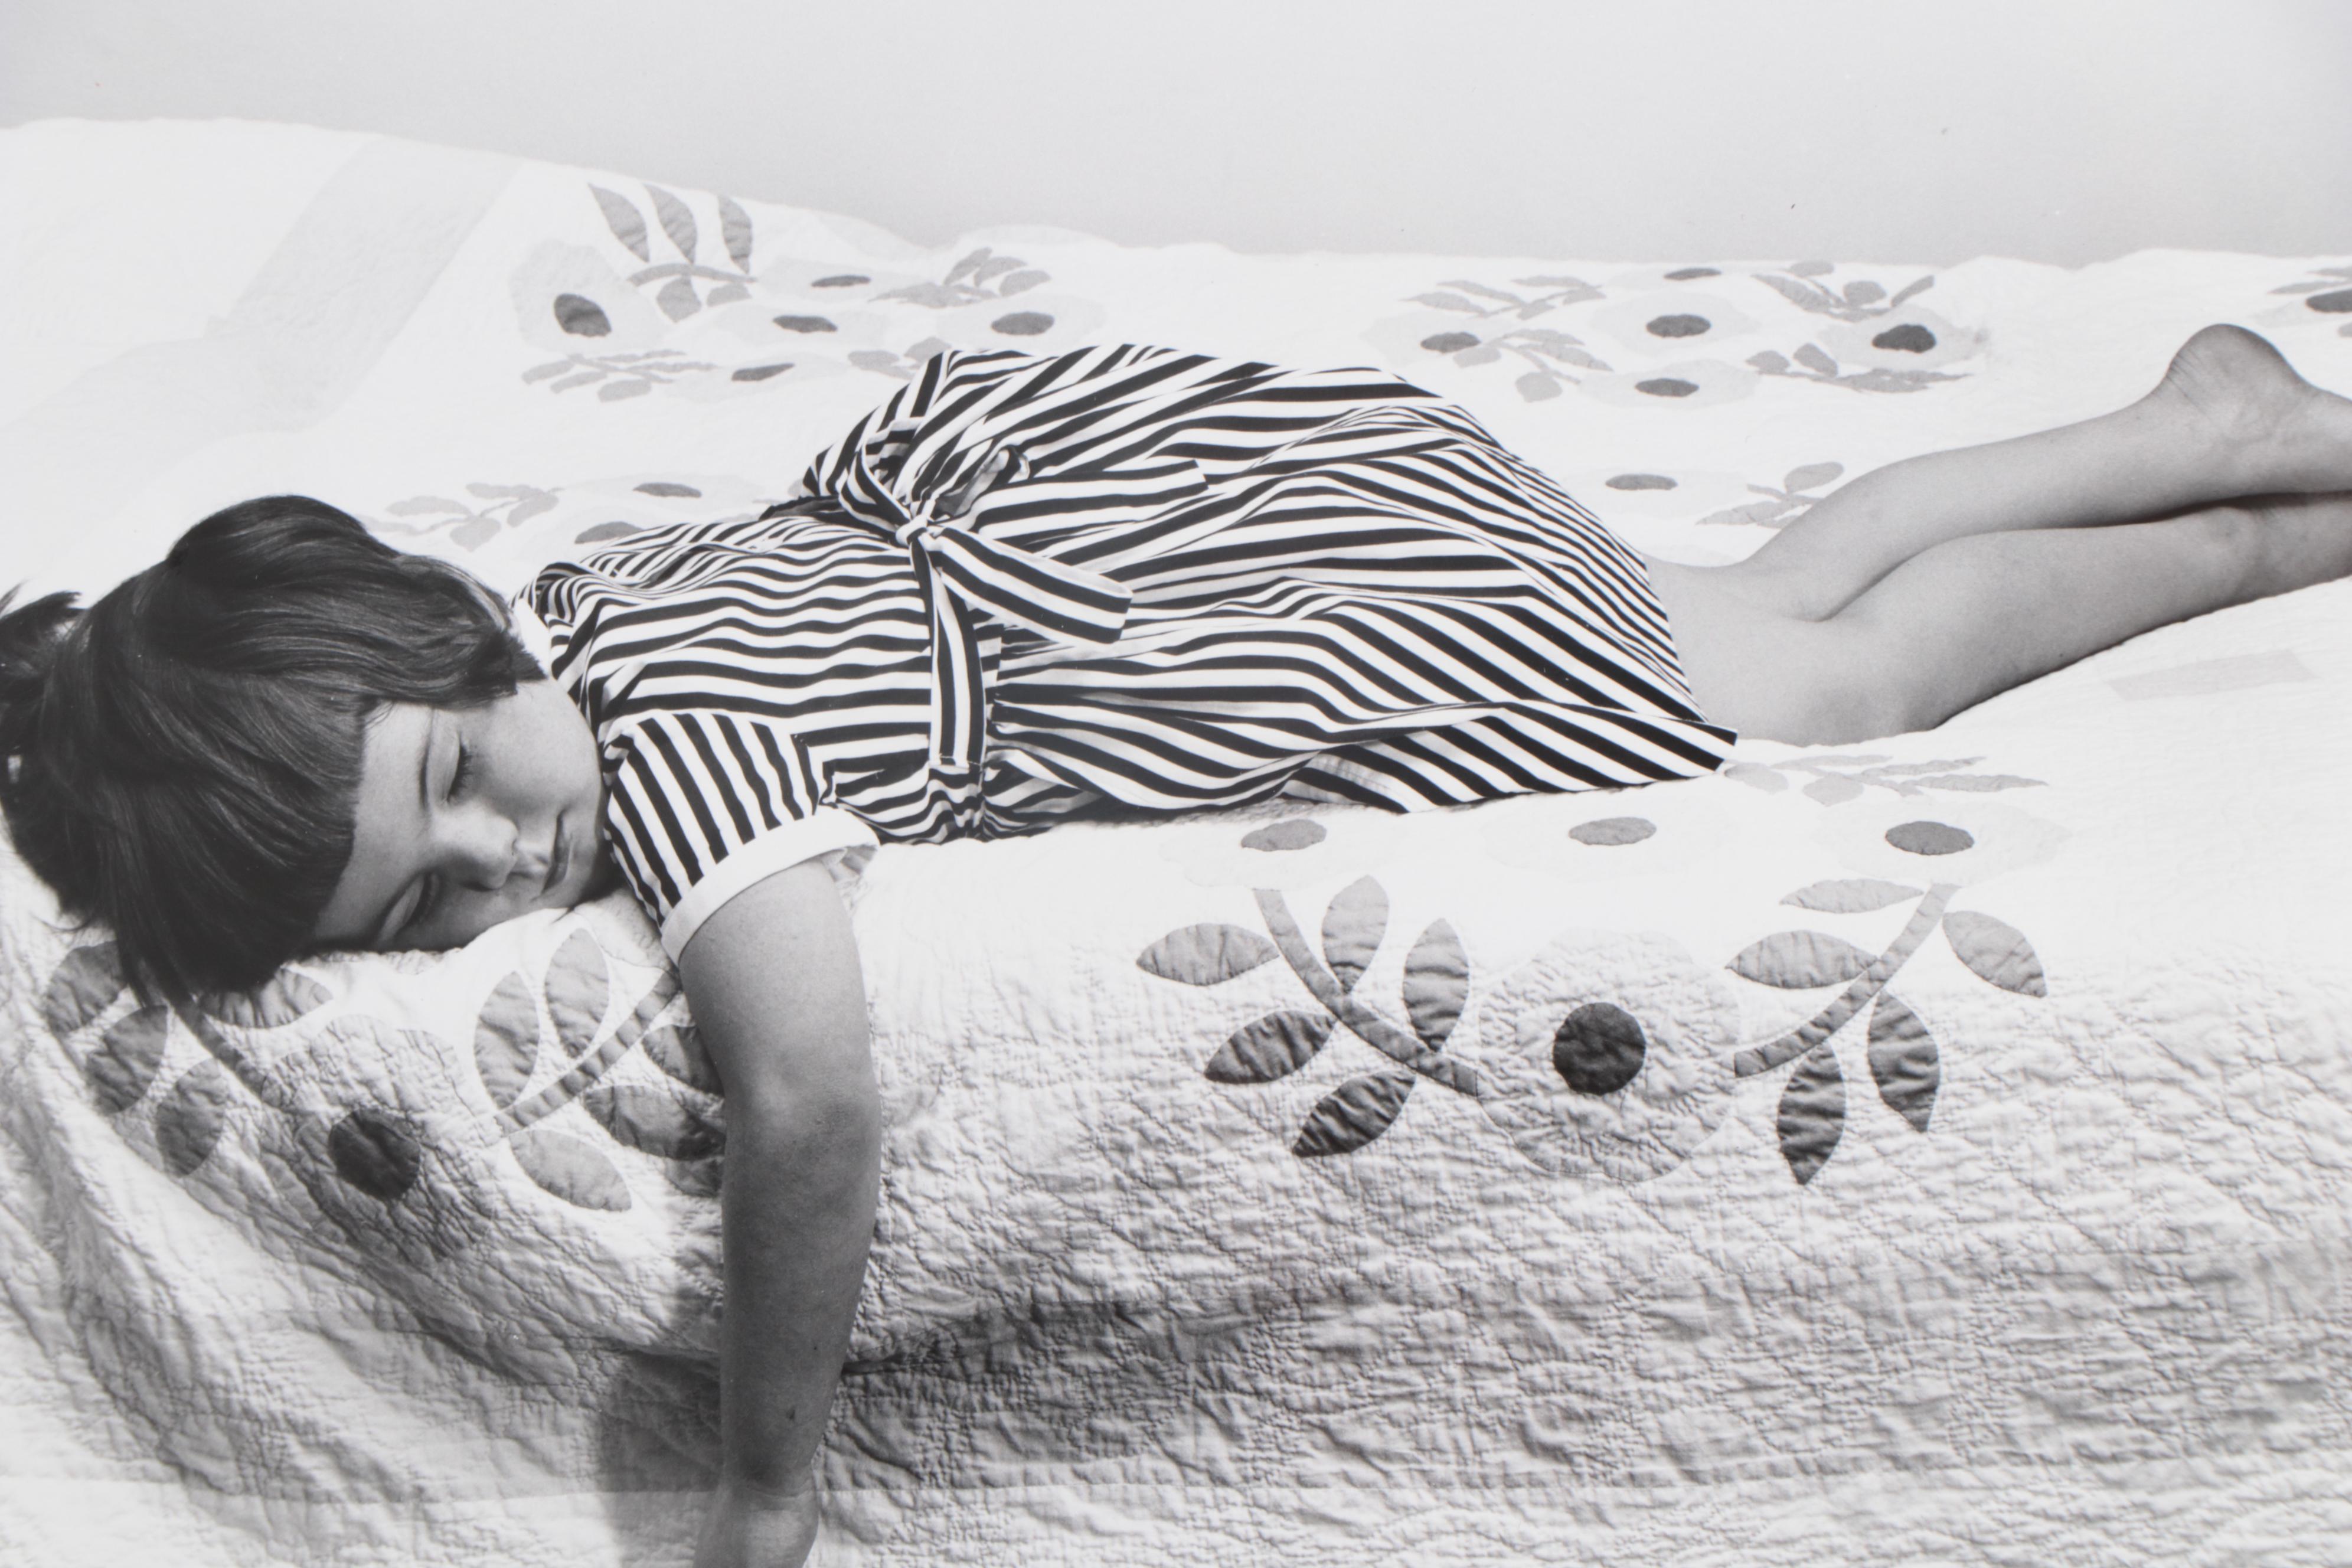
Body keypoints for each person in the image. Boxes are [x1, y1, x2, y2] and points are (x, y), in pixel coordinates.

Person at [5, 326, 2351, 1567]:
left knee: (1835, 688)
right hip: (1280, 511)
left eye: (455, 783)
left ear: (448, 622)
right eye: (427, 909)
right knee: (1756, 593)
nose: (509, 865)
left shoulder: (681, 752)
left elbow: (811, 1097)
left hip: (1284, 618)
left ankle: (2242, 542)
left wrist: (761, 1493)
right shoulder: (606, 594)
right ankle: (2198, 423)